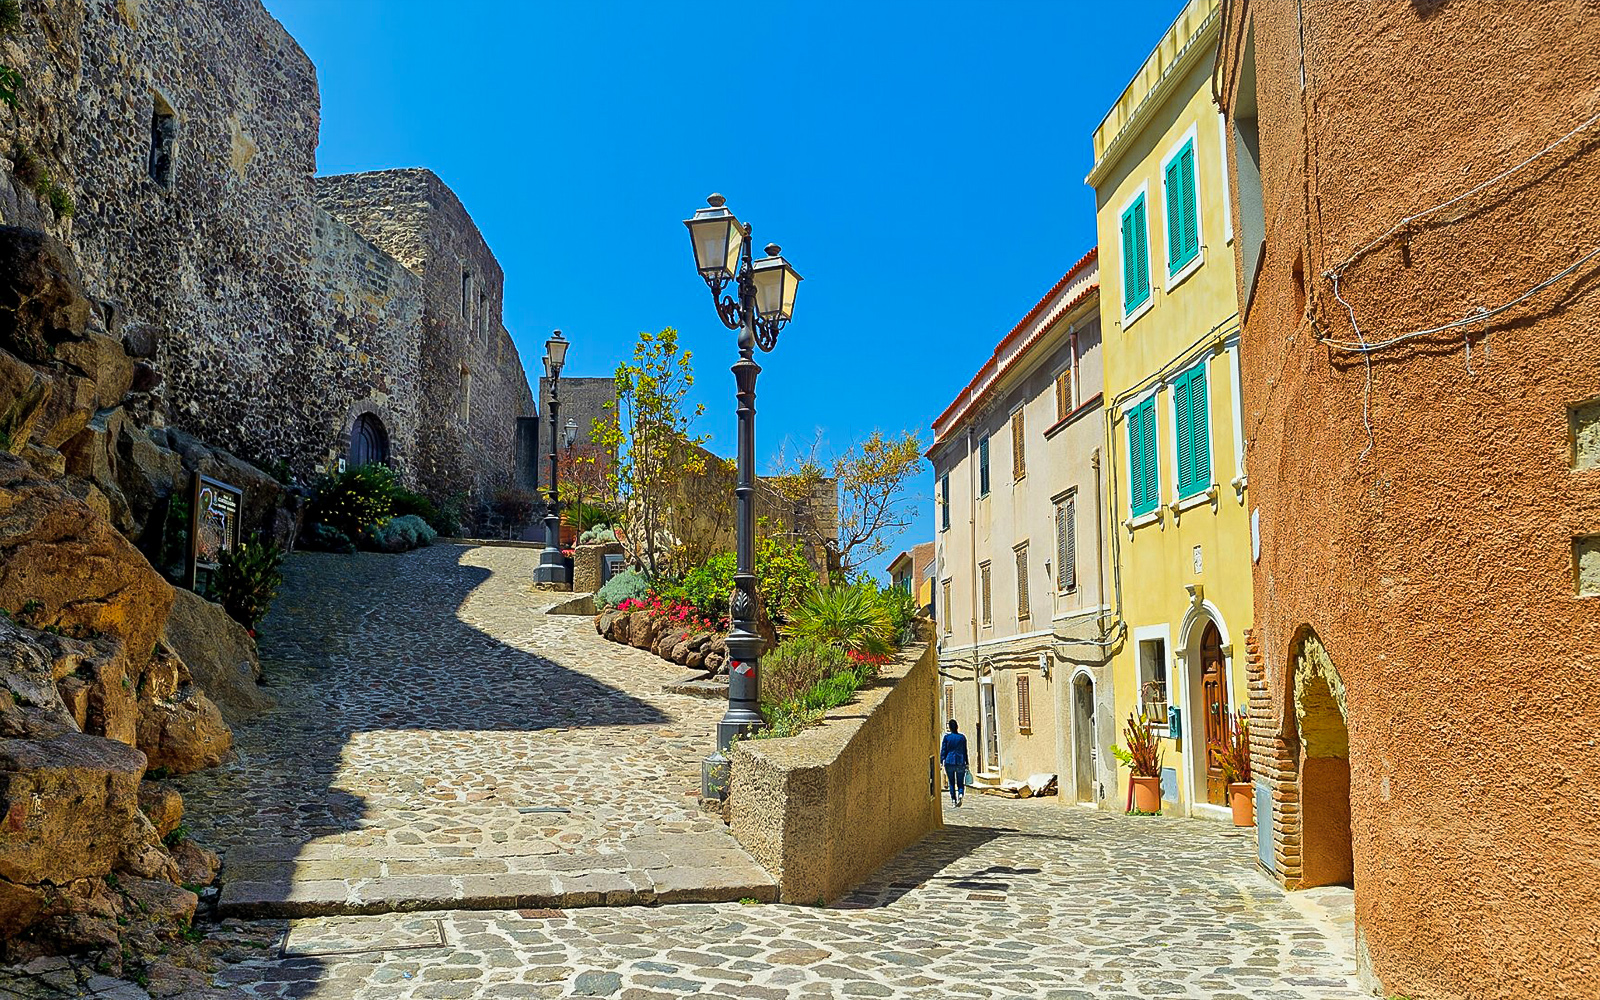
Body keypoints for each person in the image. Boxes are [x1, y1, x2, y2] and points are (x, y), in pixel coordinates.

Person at [940, 719, 969, 807]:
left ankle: (953, 799)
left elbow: (943, 750)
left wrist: (941, 760)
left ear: (950, 728)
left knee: (951, 782)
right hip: (960, 761)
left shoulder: (947, 737)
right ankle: (960, 794)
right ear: (957, 727)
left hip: (949, 761)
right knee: (960, 782)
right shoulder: (962, 737)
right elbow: (965, 751)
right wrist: (967, 762)